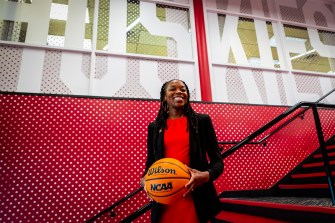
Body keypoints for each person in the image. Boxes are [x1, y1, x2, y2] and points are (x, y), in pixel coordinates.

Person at [141, 79, 224, 223]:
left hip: (196, 199)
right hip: (164, 200)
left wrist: (205, 175)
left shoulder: (201, 121)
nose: (179, 92)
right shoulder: (154, 127)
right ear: (164, 97)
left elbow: (218, 162)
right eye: (172, 89)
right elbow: (150, 165)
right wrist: (145, 181)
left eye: (183, 89)